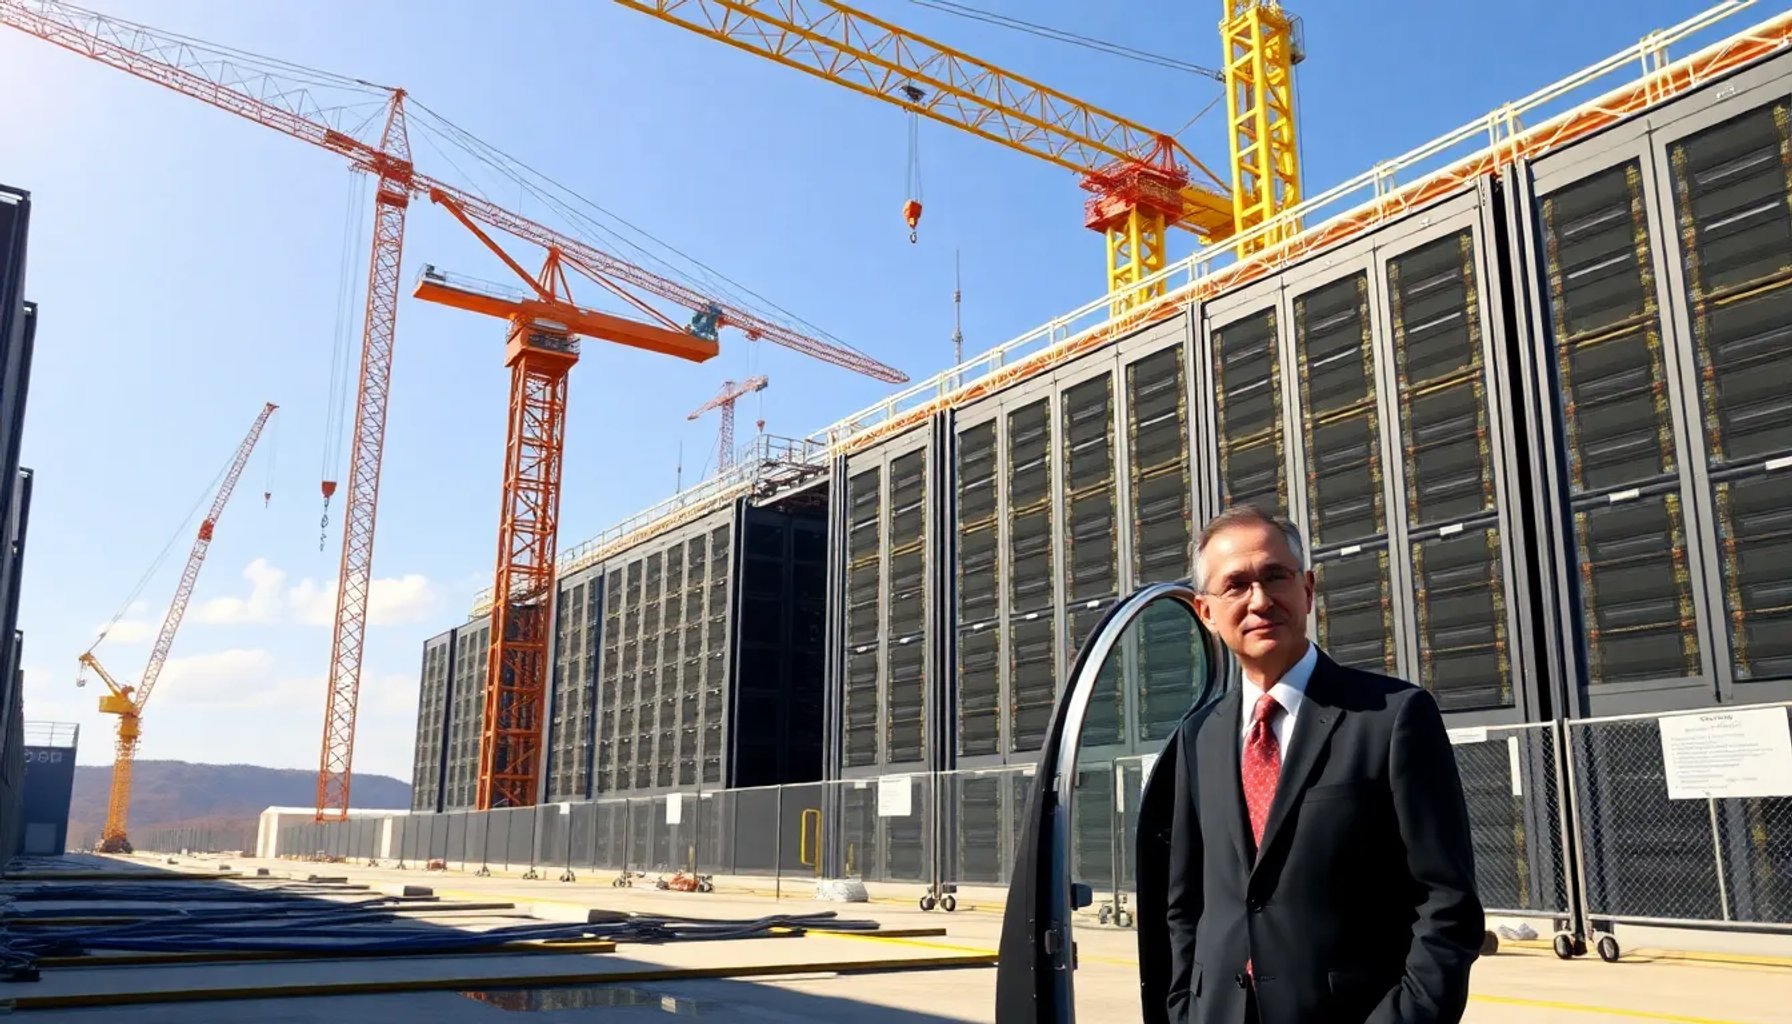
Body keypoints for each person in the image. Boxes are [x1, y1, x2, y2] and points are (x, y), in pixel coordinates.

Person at [1152, 504, 1484, 1024]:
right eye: (1235, 585)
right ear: (1206, 612)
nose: (1259, 600)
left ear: (1307, 589)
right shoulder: (1198, 737)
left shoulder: (1391, 719)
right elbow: (1186, 904)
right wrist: (1183, 1008)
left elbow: (1447, 905)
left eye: (1275, 576)